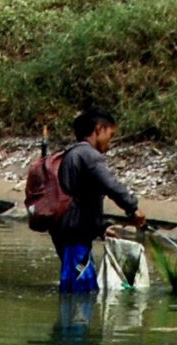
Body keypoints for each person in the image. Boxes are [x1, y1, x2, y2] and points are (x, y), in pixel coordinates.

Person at [51, 106, 142, 295]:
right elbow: (110, 184)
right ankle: (72, 325)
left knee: (78, 290)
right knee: (79, 295)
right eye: (110, 134)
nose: (111, 141)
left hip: (69, 233)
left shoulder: (73, 154)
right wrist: (132, 208)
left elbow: (81, 199)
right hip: (74, 237)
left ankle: (70, 324)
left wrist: (100, 227)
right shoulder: (88, 155)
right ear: (99, 129)